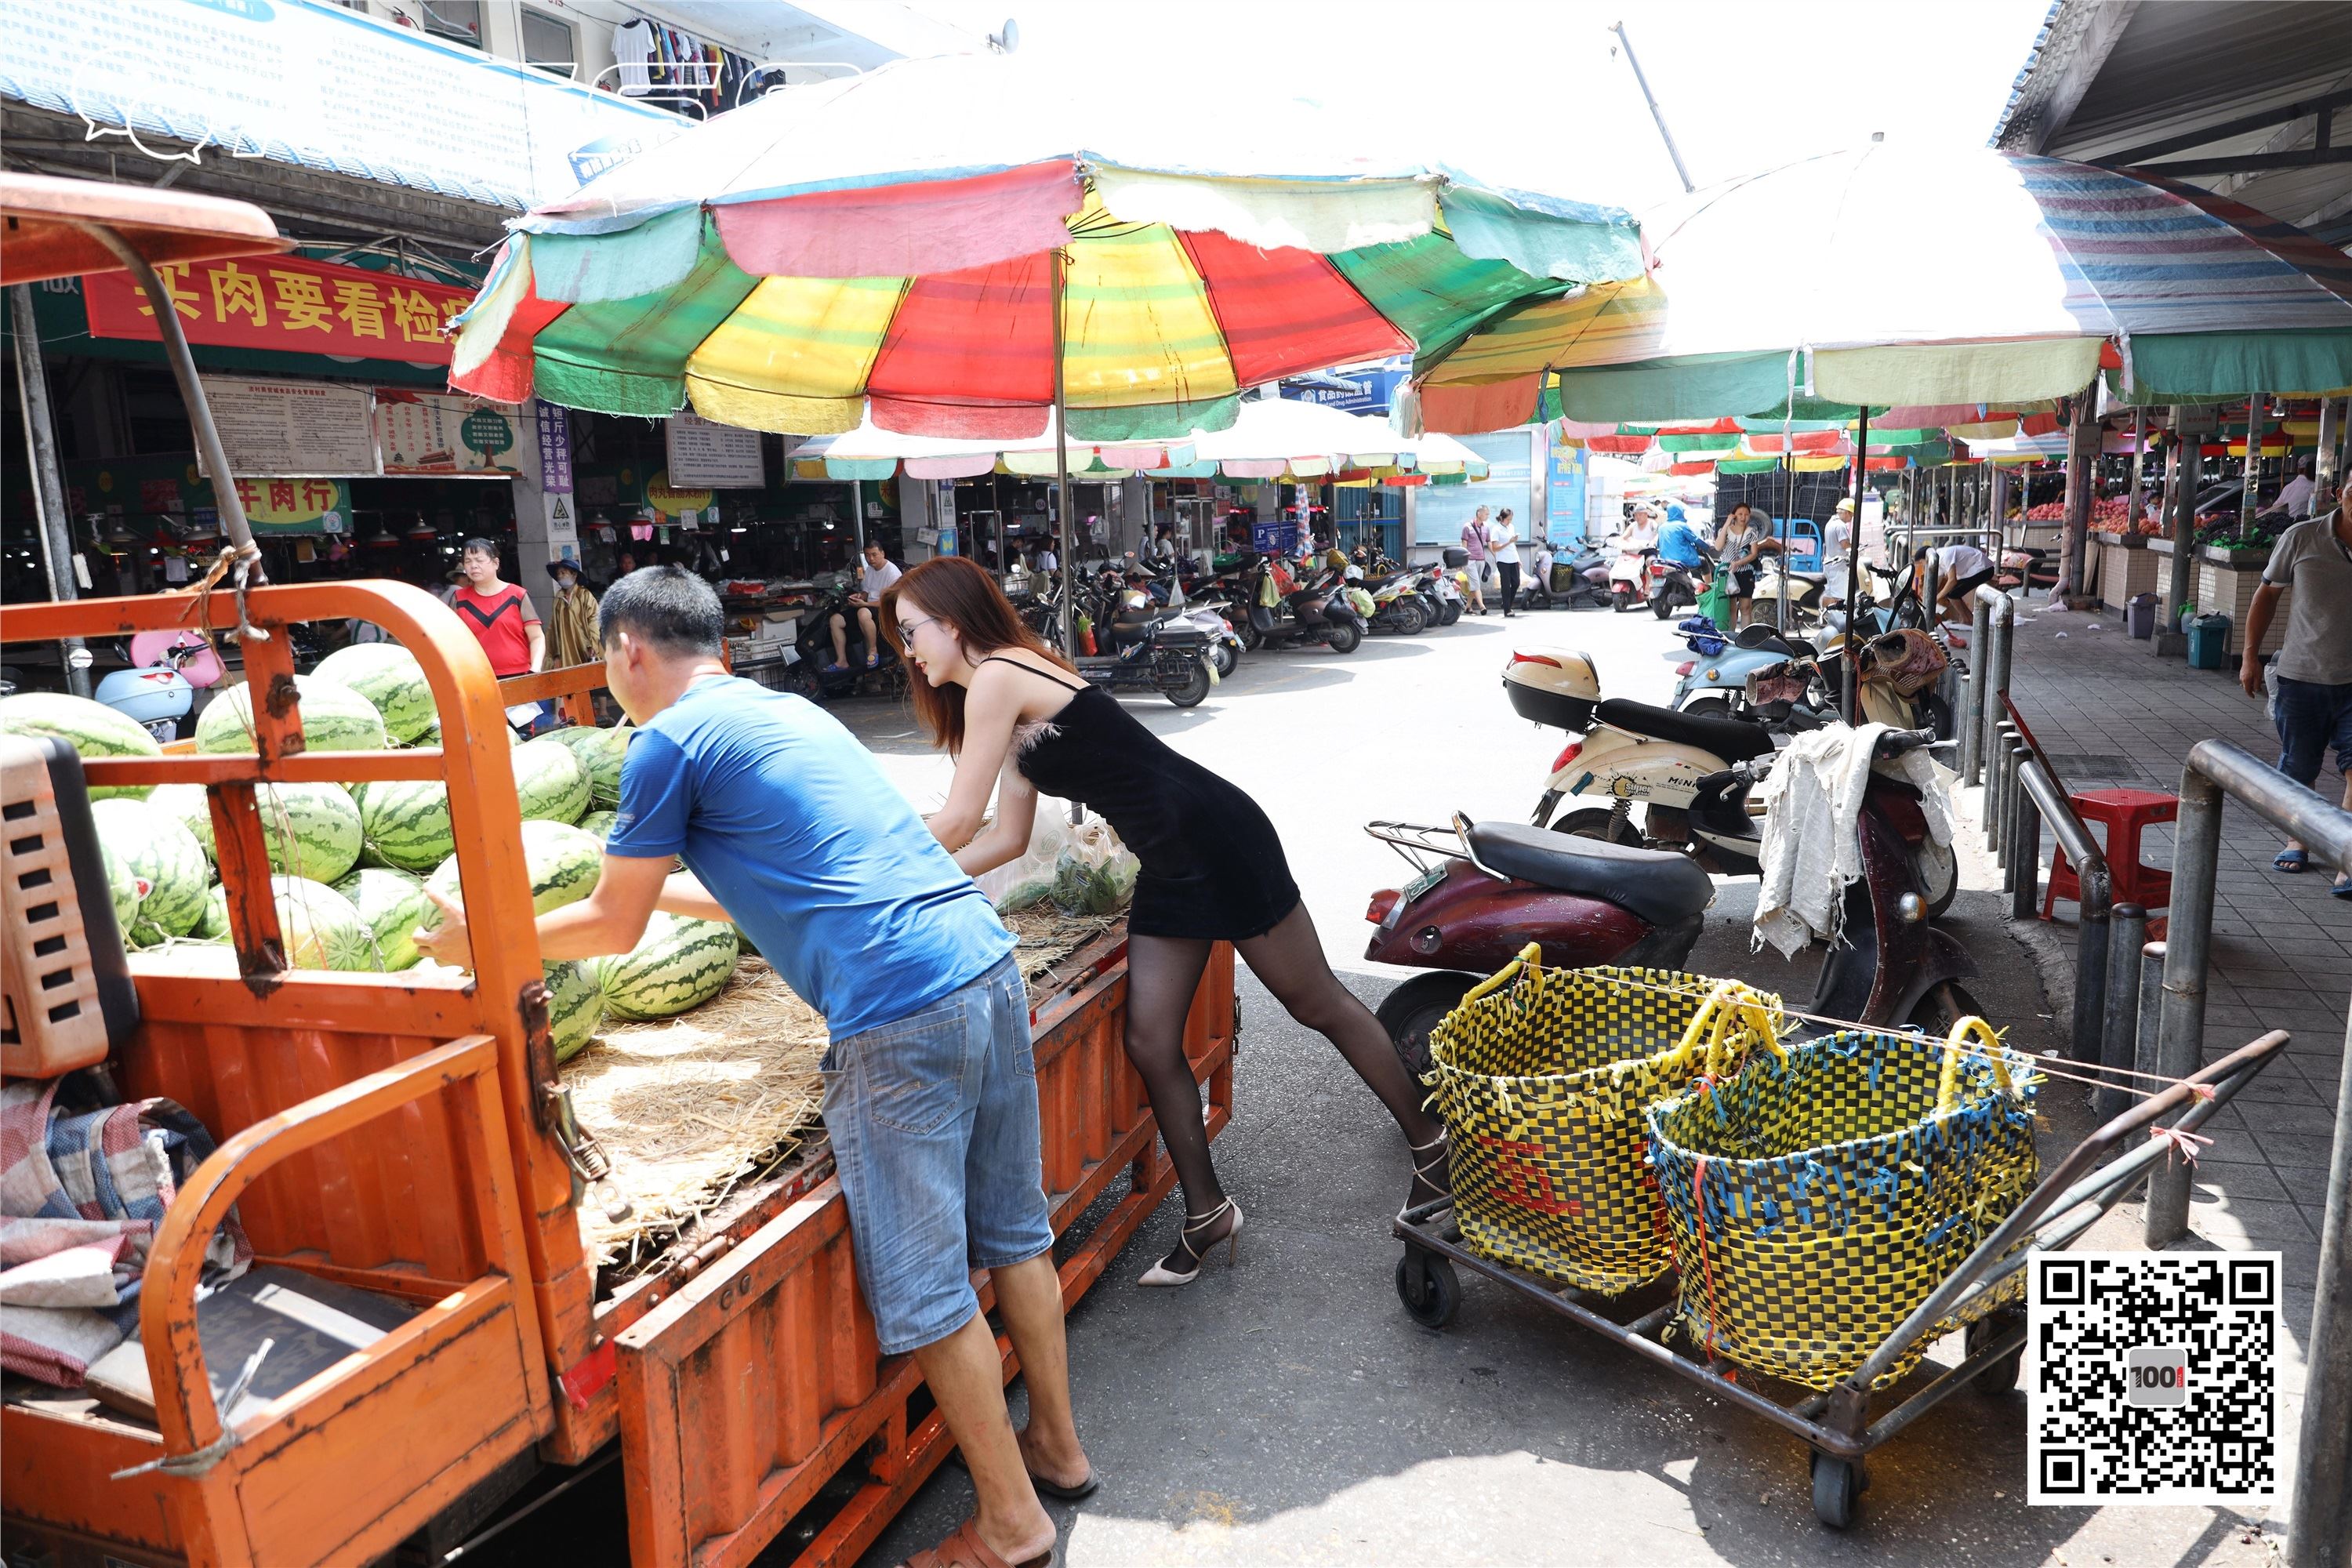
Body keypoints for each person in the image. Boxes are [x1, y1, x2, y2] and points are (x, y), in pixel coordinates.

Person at [416, 567, 1091, 1568]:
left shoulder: (665, 744)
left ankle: (1010, 1523)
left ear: (629, 651)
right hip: (980, 962)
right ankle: (1057, 1451)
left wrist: (483, 938)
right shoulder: (779, 712)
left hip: (897, 1005)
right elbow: (745, 887)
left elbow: (614, 920)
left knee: (930, 1282)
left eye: (607, 660)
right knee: (1012, 1230)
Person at [883, 557, 1450, 1283]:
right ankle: (1209, 1212)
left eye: (911, 632)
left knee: (1317, 1003)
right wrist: (908, 887)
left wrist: (874, 863)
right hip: (1170, 859)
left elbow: (959, 818)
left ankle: (1431, 1147)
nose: (908, 651)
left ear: (952, 622)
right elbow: (1003, 840)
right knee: (1151, 1041)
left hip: (1217, 834)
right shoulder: (1001, 697)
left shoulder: (997, 675)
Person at [2241, 488, 2352, 897]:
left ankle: (2346, 854)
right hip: (2302, 674)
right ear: (2343, 493)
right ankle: (2298, 838)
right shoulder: (2302, 537)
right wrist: (2250, 656)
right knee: (2299, 766)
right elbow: (2266, 595)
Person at [452, 539, 546, 728]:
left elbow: (537, 637)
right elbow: (451, 642)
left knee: (521, 738)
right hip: (475, 680)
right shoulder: (459, 599)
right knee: (483, 737)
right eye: (468, 561)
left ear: (496, 563)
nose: (473, 566)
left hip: (518, 678)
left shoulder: (517, 595)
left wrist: (534, 672)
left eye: (479, 560)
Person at [829, 541, 902, 672]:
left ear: (882, 553)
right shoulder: (869, 570)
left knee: (863, 612)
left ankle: (873, 650)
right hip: (868, 606)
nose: (871, 559)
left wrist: (865, 604)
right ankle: (842, 661)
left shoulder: (892, 572)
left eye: (874, 555)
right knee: (835, 620)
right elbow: (866, 592)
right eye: (868, 555)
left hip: (884, 609)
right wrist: (859, 597)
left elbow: (889, 602)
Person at [1714, 502, 1769, 630]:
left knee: (1746, 607)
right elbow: (1718, 546)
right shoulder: (1725, 531)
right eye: (1740, 514)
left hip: (1745, 573)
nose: (1743, 517)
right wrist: (1727, 523)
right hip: (1727, 573)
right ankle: (1730, 636)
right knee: (1731, 608)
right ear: (1734, 516)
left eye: (1746, 514)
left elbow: (1754, 554)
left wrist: (1738, 563)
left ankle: (1745, 638)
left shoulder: (1752, 532)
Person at [1914, 541, 1995, 624]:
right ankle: (1970, 618)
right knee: (1953, 593)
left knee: (1953, 594)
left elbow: (1952, 580)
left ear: (1923, 560)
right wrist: (1926, 596)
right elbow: (1935, 585)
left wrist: (1937, 598)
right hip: (1975, 570)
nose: (1923, 566)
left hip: (1984, 568)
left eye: (1921, 563)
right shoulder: (1938, 560)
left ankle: (1967, 619)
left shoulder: (1944, 556)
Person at [546, 558, 601, 670]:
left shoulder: (584, 595)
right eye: (558, 574)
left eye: (563, 573)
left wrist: (593, 644)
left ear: (574, 575)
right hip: (565, 648)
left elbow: (594, 619)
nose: (560, 576)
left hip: (584, 645)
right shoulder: (558, 599)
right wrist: (556, 654)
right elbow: (553, 628)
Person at [2259, 456, 2318, 523]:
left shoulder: (2288, 487)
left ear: (2298, 469)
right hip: (2304, 528)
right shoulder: (2315, 487)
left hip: (2289, 528)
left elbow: (2276, 508)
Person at [1823, 497, 1857, 608]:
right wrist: (1856, 546)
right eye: (1851, 515)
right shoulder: (1840, 526)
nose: (1851, 518)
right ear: (1847, 512)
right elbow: (1845, 544)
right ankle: (1837, 619)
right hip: (1838, 567)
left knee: (1829, 594)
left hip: (1829, 565)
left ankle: (1824, 616)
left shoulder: (1830, 523)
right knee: (1840, 596)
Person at [1488, 507, 1523, 617]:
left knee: (1516, 582)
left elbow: (1513, 545)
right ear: (1502, 518)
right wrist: (1509, 542)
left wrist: (1518, 559)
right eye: (1508, 519)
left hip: (1513, 558)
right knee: (1506, 585)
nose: (1510, 522)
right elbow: (1495, 548)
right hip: (1503, 560)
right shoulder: (1496, 529)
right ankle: (1507, 610)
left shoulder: (1511, 527)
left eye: (1511, 519)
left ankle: (1506, 603)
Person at [1458, 505, 1491, 615]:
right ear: (1479, 514)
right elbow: (1464, 544)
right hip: (1470, 560)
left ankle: (1468, 606)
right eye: (1486, 514)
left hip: (1481, 559)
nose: (1488, 516)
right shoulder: (1467, 527)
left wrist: (1497, 556)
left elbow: (1489, 543)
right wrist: (1462, 561)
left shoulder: (1486, 528)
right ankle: (1482, 607)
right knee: (1476, 583)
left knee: (1474, 584)